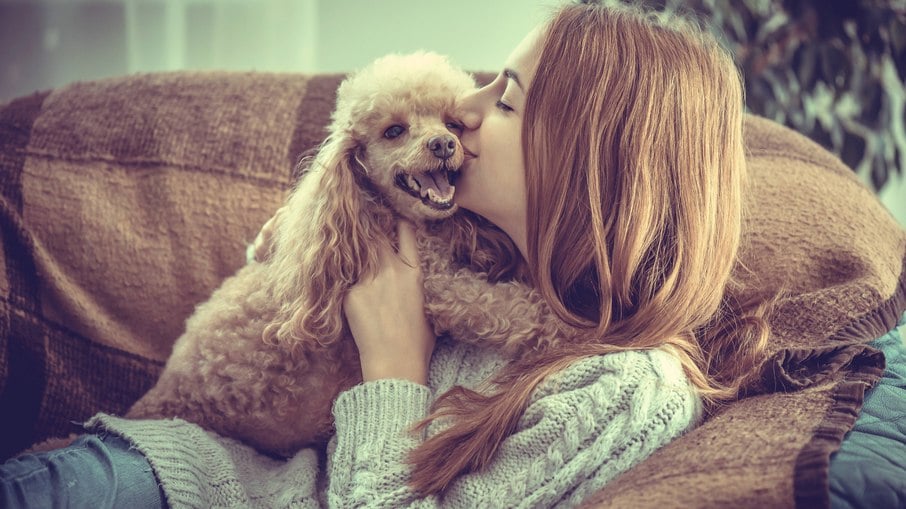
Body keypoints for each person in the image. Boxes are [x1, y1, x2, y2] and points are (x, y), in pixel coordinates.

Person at [0, 1, 770, 507]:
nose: (463, 108)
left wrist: (395, 367)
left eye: (504, 98)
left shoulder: (619, 392)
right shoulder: (490, 255)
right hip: (166, 473)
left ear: (589, 165)